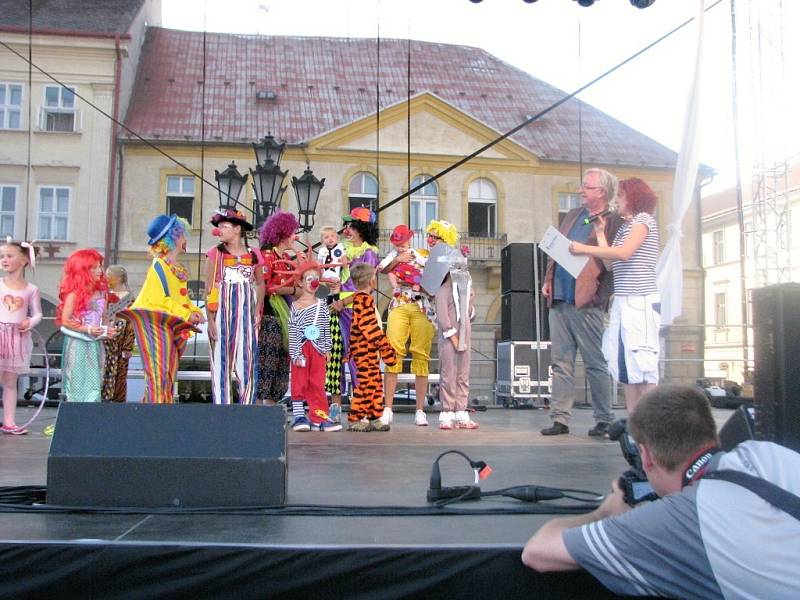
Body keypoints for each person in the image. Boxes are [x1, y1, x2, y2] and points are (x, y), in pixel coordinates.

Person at [522, 384, 800, 599]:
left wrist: (607, 511)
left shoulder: (681, 519)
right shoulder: (767, 453)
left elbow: (538, 552)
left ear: (646, 456)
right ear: (711, 432)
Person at [540, 167, 623, 437]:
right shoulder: (574, 215)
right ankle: (560, 418)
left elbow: (613, 262)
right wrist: (548, 278)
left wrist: (600, 294)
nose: (580, 190)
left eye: (586, 187)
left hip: (587, 301)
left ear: (601, 192)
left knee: (594, 362)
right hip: (561, 297)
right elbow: (557, 248)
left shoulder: (613, 221)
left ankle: (604, 418)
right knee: (560, 362)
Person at [569, 177, 660, 414]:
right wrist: (600, 234)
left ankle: (650, 423)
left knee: (644, 364)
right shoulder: (626, 227)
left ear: (633, 198)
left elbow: (625, 253)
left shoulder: (643, 220)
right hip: (623, 300)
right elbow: (610, 263)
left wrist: (584, 248)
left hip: (640, 300)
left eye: (620, 196)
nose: (616, 201)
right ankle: (634, 424)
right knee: (627, 366)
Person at [127, 215, 205, 403]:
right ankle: (156, 417)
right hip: (153, 323)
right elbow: (159, 299)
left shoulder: (175, 268)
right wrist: (187, 314)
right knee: (158, 373)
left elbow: (181, 298)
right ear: (173, 238)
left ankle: (159, 413)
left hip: (170, 324)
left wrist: (196, 311)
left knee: (168, 373)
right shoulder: (159, 266)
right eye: (182, 235)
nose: (185, 239)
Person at [205, 209, 265, 405]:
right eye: (219, 226)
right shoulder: (215, 254)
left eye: (225, 226)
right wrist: (211, 320)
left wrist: (257, 309)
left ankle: (246, 407)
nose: (219, 230)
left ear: (237, 229)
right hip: (222, 311)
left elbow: (261, 283)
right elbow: (209, 289)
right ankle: (223, 408)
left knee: (247, 359)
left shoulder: (254, 254)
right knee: (221, 360)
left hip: (246, 312)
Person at [378, 223, 435, 427]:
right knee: (393, 351)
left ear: (409, 240)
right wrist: (397, 260)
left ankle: (420, 410)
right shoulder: (393, 256)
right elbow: (381, 269)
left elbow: (432, 271)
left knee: (421, 354)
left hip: (422, 304)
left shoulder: (420, 254)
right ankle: (388, 408)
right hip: (400, 301)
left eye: (402, 244)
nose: (400, 247)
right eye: (397, 244)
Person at [428, 221, 479, 430]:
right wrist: (453, 335)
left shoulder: (464, 285)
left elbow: (468, 311)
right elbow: (442, 315)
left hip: (464, 330)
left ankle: (461, 410)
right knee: (448, 372)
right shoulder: (442, 285)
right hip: (450, 334)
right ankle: (447, 411)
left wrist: (471, 308)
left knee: (463, 372)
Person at [328, 207, 380, 409]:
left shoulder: (369, 253)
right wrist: (332, 287)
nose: (346, 229)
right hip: (336, 305)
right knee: (334, 357)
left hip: (354, 309)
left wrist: (343, 302)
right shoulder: (341, 250)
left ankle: (363, 405)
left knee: (357, 357)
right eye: (346, 225)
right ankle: (335, 405)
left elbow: (365, 288)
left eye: (351, 225)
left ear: (360, 228)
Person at [57, 249, 116, 403]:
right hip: (78, 342)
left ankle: (91, 413)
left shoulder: (103, 293)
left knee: (96, 380)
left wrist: (107, 330)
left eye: (100, 266)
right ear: (82, 270)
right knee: (77, 380)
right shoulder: (74, 294)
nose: (99, 271)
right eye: (94, 267)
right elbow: (65, 320)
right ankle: (76, 414)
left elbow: (105, 317)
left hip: (96, 343)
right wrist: (88, 329)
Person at [287, 261, 339, 432]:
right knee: (299, 382)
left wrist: (327, 348)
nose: (313, 282)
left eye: (316, 278)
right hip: (301, 348)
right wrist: (295, 353)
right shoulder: (295, 306)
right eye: (309, 278)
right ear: (300, 282)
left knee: (317, 383)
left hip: (317, 349)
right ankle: (299, 416)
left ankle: (319, 417)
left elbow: (325, 328)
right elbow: (293, 331)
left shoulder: (322, 305)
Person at [346, 262, 397, 432]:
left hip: (367, 351)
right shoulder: (364, 300)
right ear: (371, 282)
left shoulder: (361, 299)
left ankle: (375, 415)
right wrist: (386, 348)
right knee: (366, 384)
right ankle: (356, 418)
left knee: (375, 383)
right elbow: (369, 328)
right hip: (364, 351)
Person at [257, 210, 300, 405]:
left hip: (285, 316)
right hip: (269, 316)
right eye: (292, 232)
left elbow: (297, 290)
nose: (295, 236)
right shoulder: (267, 256)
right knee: (267, 363)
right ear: (282, 233)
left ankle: (272, 409)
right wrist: (291, 289)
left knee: (281, 366)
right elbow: (265, 288)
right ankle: (258, 410)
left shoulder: (289, 261)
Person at [0, 241, 42, 434]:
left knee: (10, 381)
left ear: (25, 260)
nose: (4, 260)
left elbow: (38, 314)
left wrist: (29, 323)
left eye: (9, 256)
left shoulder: (30, 289)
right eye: (2, 256)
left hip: (17, 338)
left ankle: (9, 421)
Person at [102, 265, 136, 402]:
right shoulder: (105, 295)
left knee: (119, 375)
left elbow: (131, 325)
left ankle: (117, 402)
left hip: (120, 342)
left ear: (119, 278)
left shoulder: (129, 298)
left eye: (109, 275)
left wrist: (128, 347)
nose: (106, 278)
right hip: (105, 338)